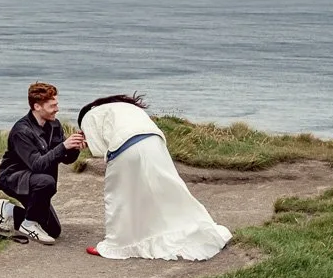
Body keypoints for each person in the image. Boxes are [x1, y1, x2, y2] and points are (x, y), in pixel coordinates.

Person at [76, 94, 231, 260]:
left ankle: (114, 246)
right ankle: (198, 228)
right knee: (168, 189)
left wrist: (84, 141)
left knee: (117, 197)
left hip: (126, 148)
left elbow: (99, 150)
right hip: (155, 142)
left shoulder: (88, 116)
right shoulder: (127, 107)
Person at [0, 82, 85, 244]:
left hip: (37, 182)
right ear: (37, 106)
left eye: (56, 104)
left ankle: (7, 210)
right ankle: (28, 224)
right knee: (46, 182)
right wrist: (63, 146)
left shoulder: (54, 125)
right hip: (14, 179)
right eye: (52, 106)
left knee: (53, 230)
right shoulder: (21, 131)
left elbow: (66, 159)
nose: (57, 109)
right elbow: (37, 165)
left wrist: (74, 147)